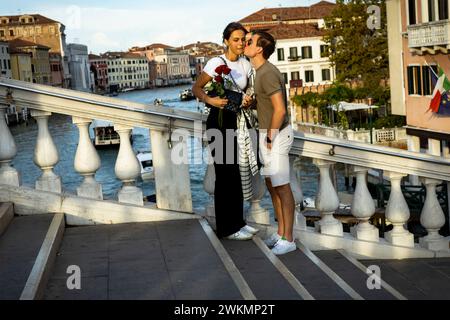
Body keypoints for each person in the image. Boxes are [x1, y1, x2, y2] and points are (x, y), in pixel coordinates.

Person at [192, 22, 258, 240]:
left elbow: (247, 94)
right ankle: (226, 229)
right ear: (226, 41)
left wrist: (248, 101)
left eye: (243, 40)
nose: (240, 44)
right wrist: (210, 99)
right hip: (218, 121)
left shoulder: (246, 65)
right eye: (236, 39)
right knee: (224, 175)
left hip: (237, 121)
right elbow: (197, 88)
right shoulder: (215, 62)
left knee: (236, 173)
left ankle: (238, 223)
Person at [244, 31, 296, 255]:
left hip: (275, 136)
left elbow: (280, 109)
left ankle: (289, 238)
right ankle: (280, 232)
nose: (245, 44)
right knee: (272, 186)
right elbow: (268, 104)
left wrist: (269, 137)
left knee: (282, 188)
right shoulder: (260, 72)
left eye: (249, 41)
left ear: (258, 49)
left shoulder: (267, 73)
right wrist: (253, 104)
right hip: (269, 135)